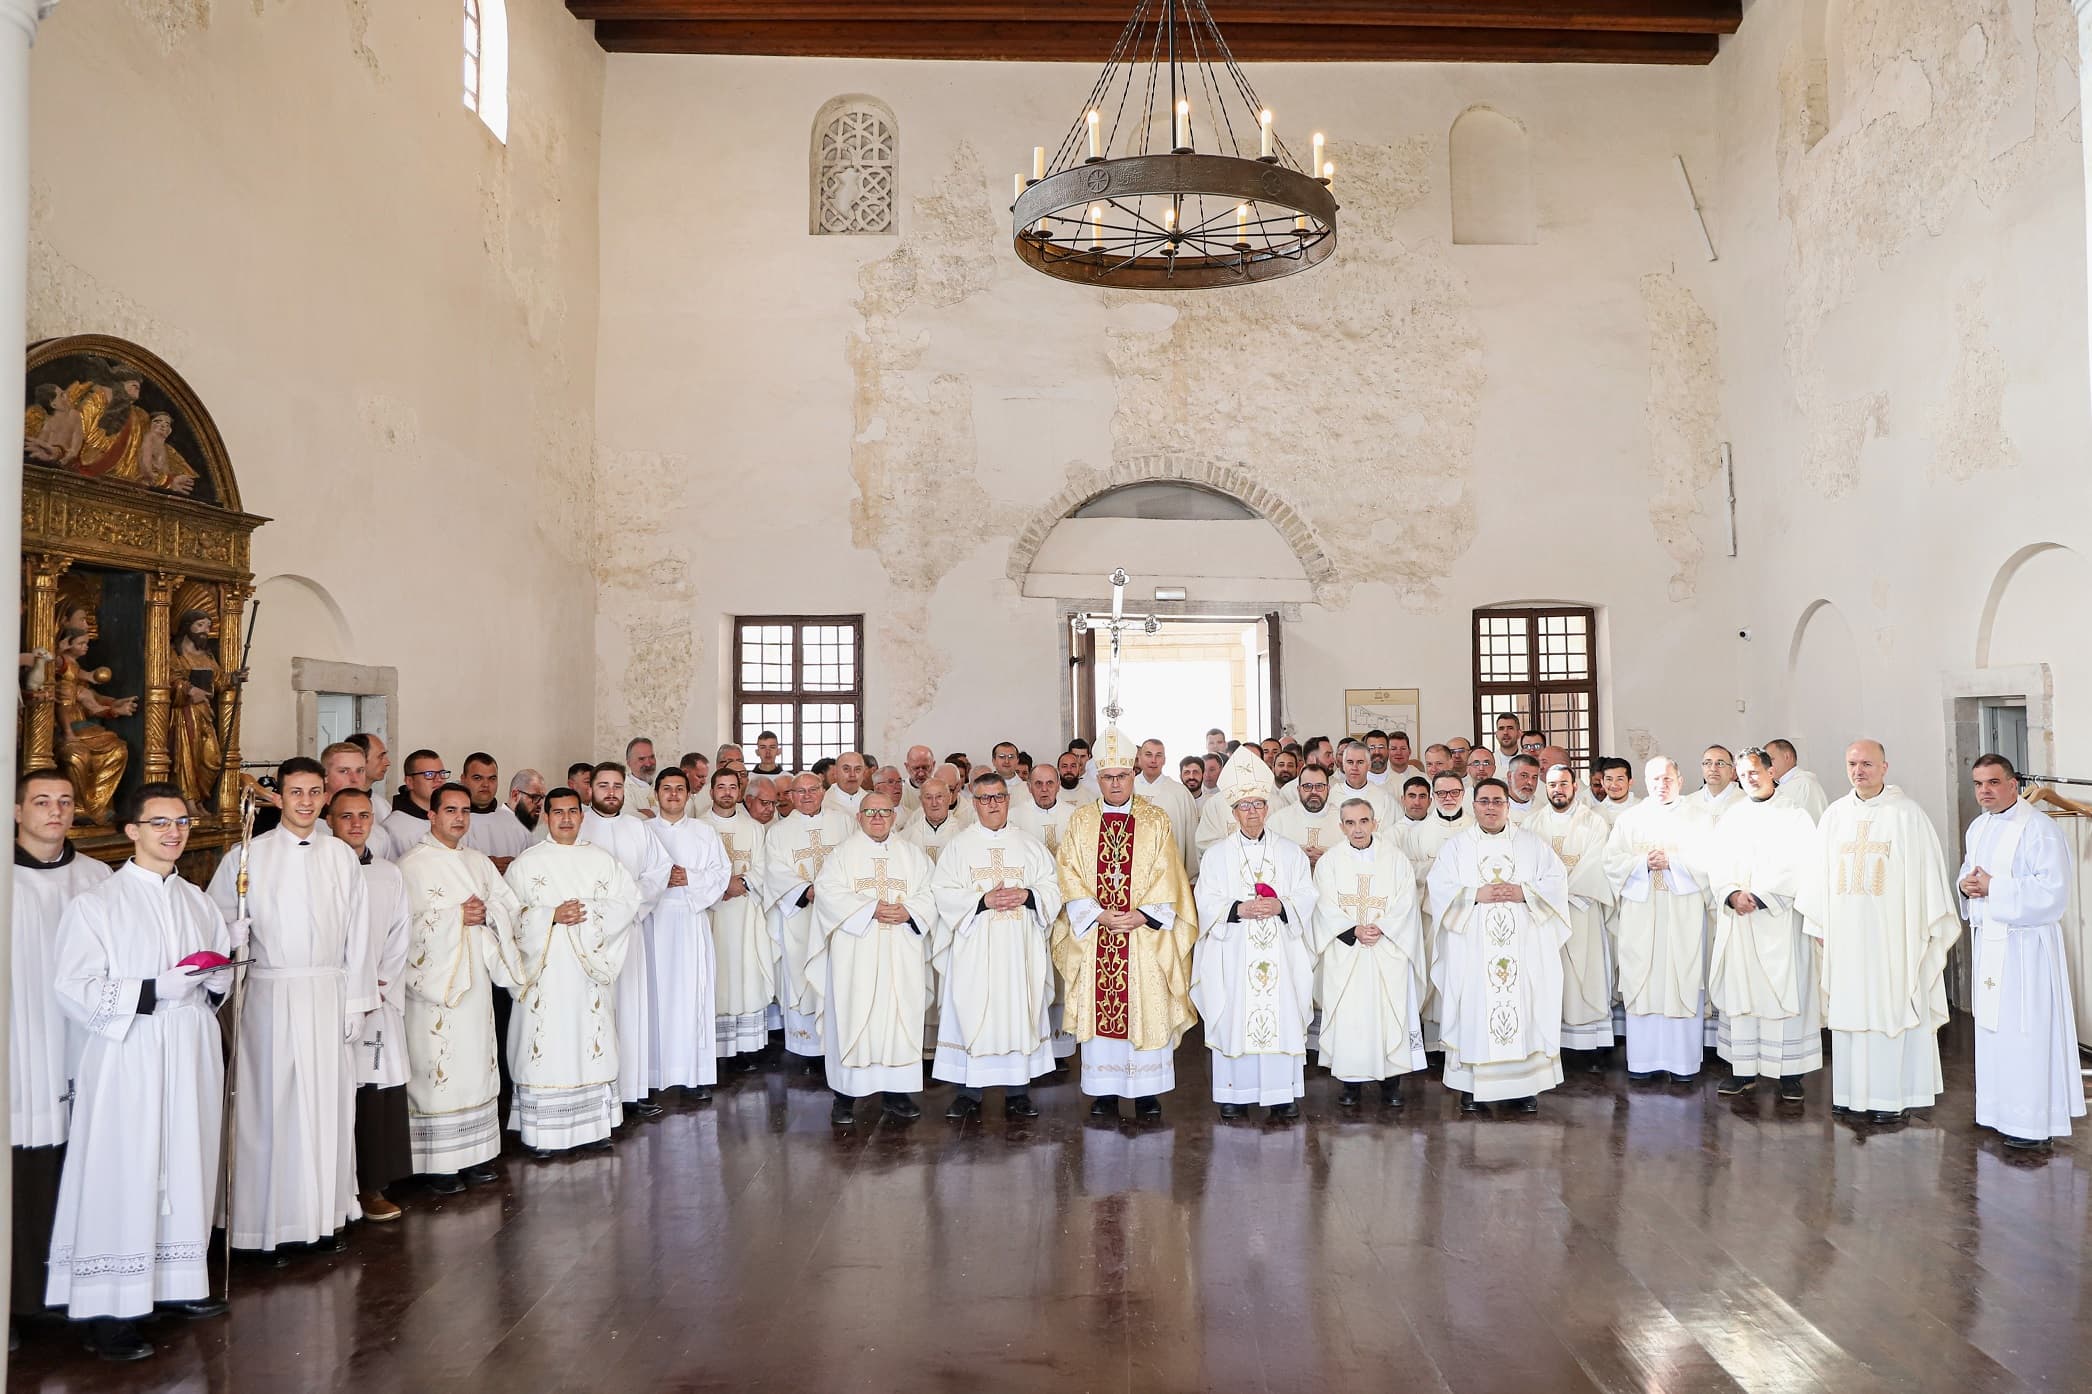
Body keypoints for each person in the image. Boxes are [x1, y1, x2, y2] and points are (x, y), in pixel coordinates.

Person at [47, 782, 234, 1361]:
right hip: (130, 1052)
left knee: (186, 1161)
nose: (173, 832)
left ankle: (176, 1283)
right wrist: (153, 989)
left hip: (189, 1047)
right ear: (131, 830)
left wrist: (223, 973)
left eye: (180, 822)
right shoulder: (98, 904)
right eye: (159, 823)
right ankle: (109, 1309)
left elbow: (216, 980)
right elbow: (72, 987)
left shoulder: (198, 900)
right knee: (126, 1168)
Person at [208, 754, 374, 1261]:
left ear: (326, 796)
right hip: (269, 994)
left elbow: (358, 935)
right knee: (268, 1106)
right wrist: (230, 938)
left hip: (326, 995)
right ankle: (265, 1226)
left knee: (327, 1106)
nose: (305, 801)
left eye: (314, 792)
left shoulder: (341, 857)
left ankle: (323, 1215)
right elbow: (217, 922)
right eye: (295, 792)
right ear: (278, 797)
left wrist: (355, 1003)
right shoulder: (247, 855)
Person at [1796, 741, 1959, 1125]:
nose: (1859, 771)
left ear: (1885, 767)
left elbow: (1927, 878)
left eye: (1867, 763)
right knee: (1851, 1008)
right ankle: (1850, 1094)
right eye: (1852, 763)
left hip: (1894, 935)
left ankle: (1892, 1096)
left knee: (1891, 1005)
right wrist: (1820, 924)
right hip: (1847, 933)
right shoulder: (1835, 815)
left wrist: (1923, 925)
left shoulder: (1907, 815)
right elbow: (1817, 874)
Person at [1050, 727, 1198, 1120]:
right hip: (1098, 933)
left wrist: (1143, 915)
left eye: (1122, 776)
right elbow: (1068, 870)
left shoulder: (1155, 819)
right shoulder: (1081, 821)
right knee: (1104, 1015)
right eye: (1107, 777)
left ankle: (1147, 1093)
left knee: (1147, 1006)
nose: (1115, 784)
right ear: (1097, 778)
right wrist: (1096, 913)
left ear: (1133, 775)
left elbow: (1169, 873)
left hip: (1142, 935)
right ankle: (1105, 1092)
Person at [10, 770, 111, 1340]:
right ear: (18, 811)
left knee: (85, 1163)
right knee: (25, 1169)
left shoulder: (98, 878)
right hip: (22, 1041)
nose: (55, 812)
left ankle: (84, 1293)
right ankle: (20, 1299)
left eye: (65, 802)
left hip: (86, 1045)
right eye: (42, 802)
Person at [503, 789, 643, 1156]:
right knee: (546, 1044)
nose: (566, 819)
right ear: (546, 817)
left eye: (572, 812)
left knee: (588, 1041)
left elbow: (628, 903)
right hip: (545, 976)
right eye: (557, 812)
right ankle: (542, 1135)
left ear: (582, 816)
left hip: (587, 976)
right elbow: (507, 918)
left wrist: (586, 913)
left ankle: (594, 1128)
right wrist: (549, 915)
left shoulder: (603, 861)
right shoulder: (526, 864)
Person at [396, 782, 519, 1191]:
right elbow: (402, 930)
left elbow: (508, 904)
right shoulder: (411, 866)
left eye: (465, 811)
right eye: (450, 810)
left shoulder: (478, 861)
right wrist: (453, 917)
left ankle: (475, 1154)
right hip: (436, 989)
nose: (459, 818)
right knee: (438, 1068)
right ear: (431, 815)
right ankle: (437, 1163)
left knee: (474, 1064)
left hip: (475, 982)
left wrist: (488, 913)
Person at [1957, 754, 2083, 1149]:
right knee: (1995, 1031)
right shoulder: (1978, 827)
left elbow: (2053, 894)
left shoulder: (2040, 829)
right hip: (1992, 942)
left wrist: (1996, 887)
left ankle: (2030, 1124)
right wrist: (1966, 886)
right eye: (1978, 784)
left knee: (2026, 1031)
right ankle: (1997, 1111)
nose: (1985, 791)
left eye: (1993, 783)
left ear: (2013, 784)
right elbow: (1969, 871)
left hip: (2027, 949)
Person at [1426, 777, 1570, 1115]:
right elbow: (1440, 887)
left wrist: (1524, 893)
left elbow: (1555, 881)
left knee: (1525, 1007)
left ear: (1508, 806)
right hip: (1474, 949)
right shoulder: (1457, 846)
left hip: (1523, 947)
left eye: (1497, 801)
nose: (1490, 807)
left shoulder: (1532, 845)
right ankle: (1471, 1087)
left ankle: (1525, 1087)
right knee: (1475, 1006)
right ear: (1473, 805)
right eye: (1484, 801)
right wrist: (1475, 894)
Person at [1192, 748, 1317, 1121]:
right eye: (1244, 806)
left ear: (1268, 808)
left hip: (1279, 948)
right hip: (1235, 948)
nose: (1251, 812)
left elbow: (1306, 894)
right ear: (1233, 812)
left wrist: (1281, 907)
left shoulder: (1290, 853)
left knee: (1281, 1015)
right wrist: (1237, 909)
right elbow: (1206, 899)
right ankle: (1235, 1093)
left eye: (1258, 805)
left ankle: (1282, 1094)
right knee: (1233, 1014)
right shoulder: (1216, 856)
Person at [929, 773, 1063, 1119]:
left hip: (1019, 948)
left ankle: (1019, 1091)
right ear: (974, 803)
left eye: (999, 797)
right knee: (972, 1010)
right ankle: (968, 1092)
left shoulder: (1029, 844)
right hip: (976, 947)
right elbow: (942, 892)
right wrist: (982, 899)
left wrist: (1028, 895)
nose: (993, 804)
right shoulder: (958, 846)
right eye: (985, 798)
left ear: (1008, 800)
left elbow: (1052, 887)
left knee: (1018, 1011)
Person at [811, 795, 937, 1124]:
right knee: (854, 1016)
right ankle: (845, 1096)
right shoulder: (842, 856)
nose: (878, 817)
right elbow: (827, 893)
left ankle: (897, 1093)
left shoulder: (912, 855)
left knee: (898, 1017)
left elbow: (931, 893)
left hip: (901, 949)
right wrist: (871, 909)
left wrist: (910, 910)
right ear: (859, 816)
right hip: (856, 953)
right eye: (870, 811)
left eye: (884, 812)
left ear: (895, 815)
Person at [1706, 748, 1822, 1100]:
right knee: (1743, 993)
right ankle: (1742, 1070)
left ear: (1771, 771)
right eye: (1742, 774)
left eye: (1755, 771)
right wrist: (1730, 894)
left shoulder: (1795, 816)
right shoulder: (1732, 816)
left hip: (1779, 921)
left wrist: (1762, 896)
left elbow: (1803, 864)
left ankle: (1790, 1075)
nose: (1749, 778)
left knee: (1783, 991)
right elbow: (1718, 862)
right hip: (1740, 921)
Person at [324, 787, 413, 1223]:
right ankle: (331, 1189)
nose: (357, 824)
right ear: (329, 820)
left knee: (376, 1090)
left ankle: (373, 1185)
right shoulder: (319, 872)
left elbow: (400, 934)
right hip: (326, 1001)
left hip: (376, 999)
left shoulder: (388, 875)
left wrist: (378, 984)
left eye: (364, 816)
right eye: (346, 817)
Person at [1603, 757, 1714, 1083]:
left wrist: (1674, 863)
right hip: (1643, 916)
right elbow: (1611, 862)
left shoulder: (1699, 818)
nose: (1661, 785)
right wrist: (1641, 864)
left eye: (1667, 778)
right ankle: (1643, 1062)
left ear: (1680, 779)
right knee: (1645, 978)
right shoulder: (1630, 819)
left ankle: (1682, 1064)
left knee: (1680, 977)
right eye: (1654, 780)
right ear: (1645, 782)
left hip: (1682, 916)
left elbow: (1711, 861)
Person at [1310, 797, 1425, 1109]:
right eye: (1350, 823)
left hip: (1387, 949)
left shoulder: (1396, 859)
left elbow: (1406, 903)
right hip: (1347, 951)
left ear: (1375, 823)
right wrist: (1354, 930)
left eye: (1363, 821)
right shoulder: (1330, 861)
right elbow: (1323, 905)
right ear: (1341, 826)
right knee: (1351, 1018)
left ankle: (1392, 1082)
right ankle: (1351, 1083)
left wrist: (1382, 927)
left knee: (1390, 1011)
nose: (1357, 829)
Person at [581, 763, 674, 1117]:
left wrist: (632, 902)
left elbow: (659, 870)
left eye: (617, 786)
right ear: (590, 789)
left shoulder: (638, 827)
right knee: (597, 1011)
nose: (611, 792)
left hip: (630, 930)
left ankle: (633, 1090)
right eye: (603, 785)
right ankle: (596, 1096)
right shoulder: (580, 824)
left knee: (632, 1008)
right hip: (590, 933)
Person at [644, 768, 733, 1099]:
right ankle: (650, 1077)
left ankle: (692, 1076)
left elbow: (721, 873)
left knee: (690, 997)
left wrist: (689, 878)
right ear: (656, 794)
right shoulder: (643, 831)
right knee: (653, 998)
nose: (673, 795)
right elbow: (631, 875)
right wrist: (657, 882)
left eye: (679, 789)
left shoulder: (703, 832)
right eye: (666, 789)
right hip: (652, 923)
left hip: (690, 921)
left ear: (689, 794)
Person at [1523, 764, 1617, 1063]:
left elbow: (1595, 865)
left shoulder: (1594, 823)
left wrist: (1559, 895)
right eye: (1551, 784)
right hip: (1543, 914)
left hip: (1580, 909)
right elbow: (1527, 867)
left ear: (1575, 786)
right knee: (1548, 973)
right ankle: (1551, 1042)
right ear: (1544, 787)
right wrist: (1547, 897)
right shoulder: (1532, 824)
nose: (1557, 789)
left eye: (1563, 783)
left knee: (1583, 973)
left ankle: (1588, 1047)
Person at [762, 774, 855, 1063]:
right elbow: (774, 870)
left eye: (812, 790)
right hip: (800, 915)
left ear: (823, 791)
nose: (806, 796)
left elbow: (856, 859)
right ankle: (808, 1049)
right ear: (789, 796)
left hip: (837, 916)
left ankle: (840, 1041)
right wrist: (807, 890)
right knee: (803, 972)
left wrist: (835, 894)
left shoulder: (844, 822)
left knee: (839, 972)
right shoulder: (778, 832)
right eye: (798, 791)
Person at [698, 768, 771, 1070]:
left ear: (740, 792)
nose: (727, 792)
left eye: (732, 787)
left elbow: (765, 865)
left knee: (744, 971)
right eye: (721, 787)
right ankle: (711, 1047)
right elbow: (692, 867)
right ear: (711, 791)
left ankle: (745, 1047)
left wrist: (740, 883)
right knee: (714, 972)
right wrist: (719, 887)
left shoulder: (753, 827)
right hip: (710, 912)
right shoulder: (698, 826)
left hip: (744, 910)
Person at [320, 741, 399, 860]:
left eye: (360, 770)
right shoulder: (307, 828)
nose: (355, 779)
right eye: (344, 771)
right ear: (325, 776)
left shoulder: (379, 835)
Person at [1133, 738, 1198, 879]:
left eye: (1159, 755)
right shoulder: (1127, 789)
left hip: (1170, 875)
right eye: (1148, 755)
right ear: (1139, 758)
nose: (1153, 760)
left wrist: (1191, 878)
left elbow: (1191, 837)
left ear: (1164, 760)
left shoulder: (1180, 793)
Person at [461, 753, 533, 872]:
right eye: (478, 778)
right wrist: (484, 867)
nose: (485, 784)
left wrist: (514, 867)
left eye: (492, 778)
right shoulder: (453, 821)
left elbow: (533, 864)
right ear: (463, 779)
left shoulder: (515, 821)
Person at [1269, 765, 1342, 868]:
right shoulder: (1278, 821)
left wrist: (1326, 860)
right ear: (1298, 790)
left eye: (1319, 786)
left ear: (1328, 789)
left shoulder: (1343, 821)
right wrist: (1297, 857)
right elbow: (1267, 859)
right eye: (1307, 786)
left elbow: (1353, 862)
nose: (1314, 792)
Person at [381, 748, 447, 852]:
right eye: (429, 774)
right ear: (410, 781)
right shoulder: (394, 828)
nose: (438, 779)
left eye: (442, 773)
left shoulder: (450, 818)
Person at [1009, 762, 1075, 856]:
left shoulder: (1074, 815)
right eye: (1038, 783)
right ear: (1029, 787)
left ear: (1058, 786)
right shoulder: (1014, 817)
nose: (1044, 789)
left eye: (1049, 783)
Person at [1765, 739, 1830, 821]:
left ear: (1787, 757)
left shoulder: (1805, 784)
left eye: (1771, 760)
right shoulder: (1780, 786)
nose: (1767, 766)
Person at [903, 776, 964, 859]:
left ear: (949, 798)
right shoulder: (906, 838)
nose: (934, 803)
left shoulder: (964, 833)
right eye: (928, 798)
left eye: (939, 796)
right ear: (921, 800)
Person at [346, 732, 395, 823]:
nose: (387, 763)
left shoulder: (382, 805)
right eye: (381, 756)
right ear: (360, 759)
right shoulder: (337, 804)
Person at [1695, 746, 1744, 817]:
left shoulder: (1748, 801)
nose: (1713, 769)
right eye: (1707, 763)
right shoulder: (1688, 803)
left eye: (1720, 763)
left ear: (1732, 771)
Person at [823, 751, 869, 817]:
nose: (852, 775)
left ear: (864, 773)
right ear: (835, 772)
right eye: (846, 769)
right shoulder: (822, 802)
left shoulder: (873, 802)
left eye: (857, 769)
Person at [1594, 757, 1639, 826]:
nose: (1614, 785)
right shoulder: (1595, 813)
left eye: (1620, 779)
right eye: (1609, 779)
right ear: (1602, 782)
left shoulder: (1643, 809)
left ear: (1630, 782)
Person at [623, 737, 660, 818]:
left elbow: (677, 813)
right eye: (641, 759)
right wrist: (661, 813)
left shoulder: (662, 783)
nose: (648, 763)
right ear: (629, 763)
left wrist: (651, 813)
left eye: (652, 757)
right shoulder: (623, 789)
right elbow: (631, 819)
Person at [1503, 753, 1542, 824]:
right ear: (1509, 776)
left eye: (1534, 777)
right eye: (1524, 775)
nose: (1530, 782)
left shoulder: (1542, 810)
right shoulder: (1496, 809)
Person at [508, 768, 547, 835]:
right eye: (535, 797)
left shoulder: (537, 831)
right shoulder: (497, 827)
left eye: (542, 798)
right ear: (515, 795)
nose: (540, 804)